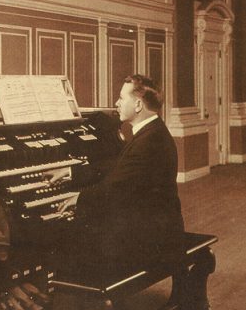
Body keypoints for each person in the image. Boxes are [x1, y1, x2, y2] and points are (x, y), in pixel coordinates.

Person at [47, 74, 185, 271]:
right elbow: (118, 165)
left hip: (151, 237)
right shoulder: (152, 131)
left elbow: (116, 188)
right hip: (158, 224)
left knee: (68, 233)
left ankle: (55, 282)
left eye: (121, 98)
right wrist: (70, 171)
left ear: (138, 105)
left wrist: (78, 198)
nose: (116, 103)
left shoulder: (148, 141)